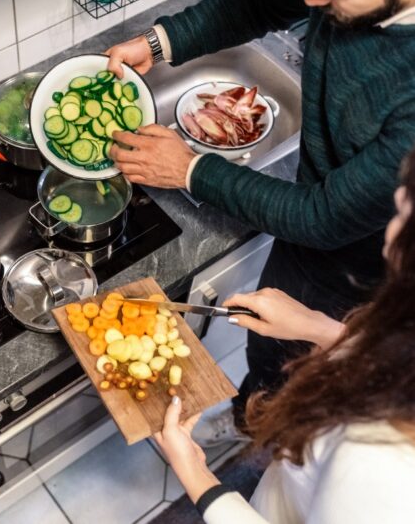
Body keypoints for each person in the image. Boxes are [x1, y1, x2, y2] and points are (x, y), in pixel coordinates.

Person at [105, 0, 415, 445]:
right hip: (310, 244)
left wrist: (192, 170)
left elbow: (323, 217)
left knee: (303, 373)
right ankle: (248, 415)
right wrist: (159, 43)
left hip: (358, 273)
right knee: (267, 349)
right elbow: (258, 7)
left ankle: (267, 436)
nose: (310, 1)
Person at [154, 147, 415, 523]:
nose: (395, 204)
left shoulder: (374, 465)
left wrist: (194, 473)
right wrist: (317, 327)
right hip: (294, 481)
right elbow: (393, 365)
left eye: (407, 210)